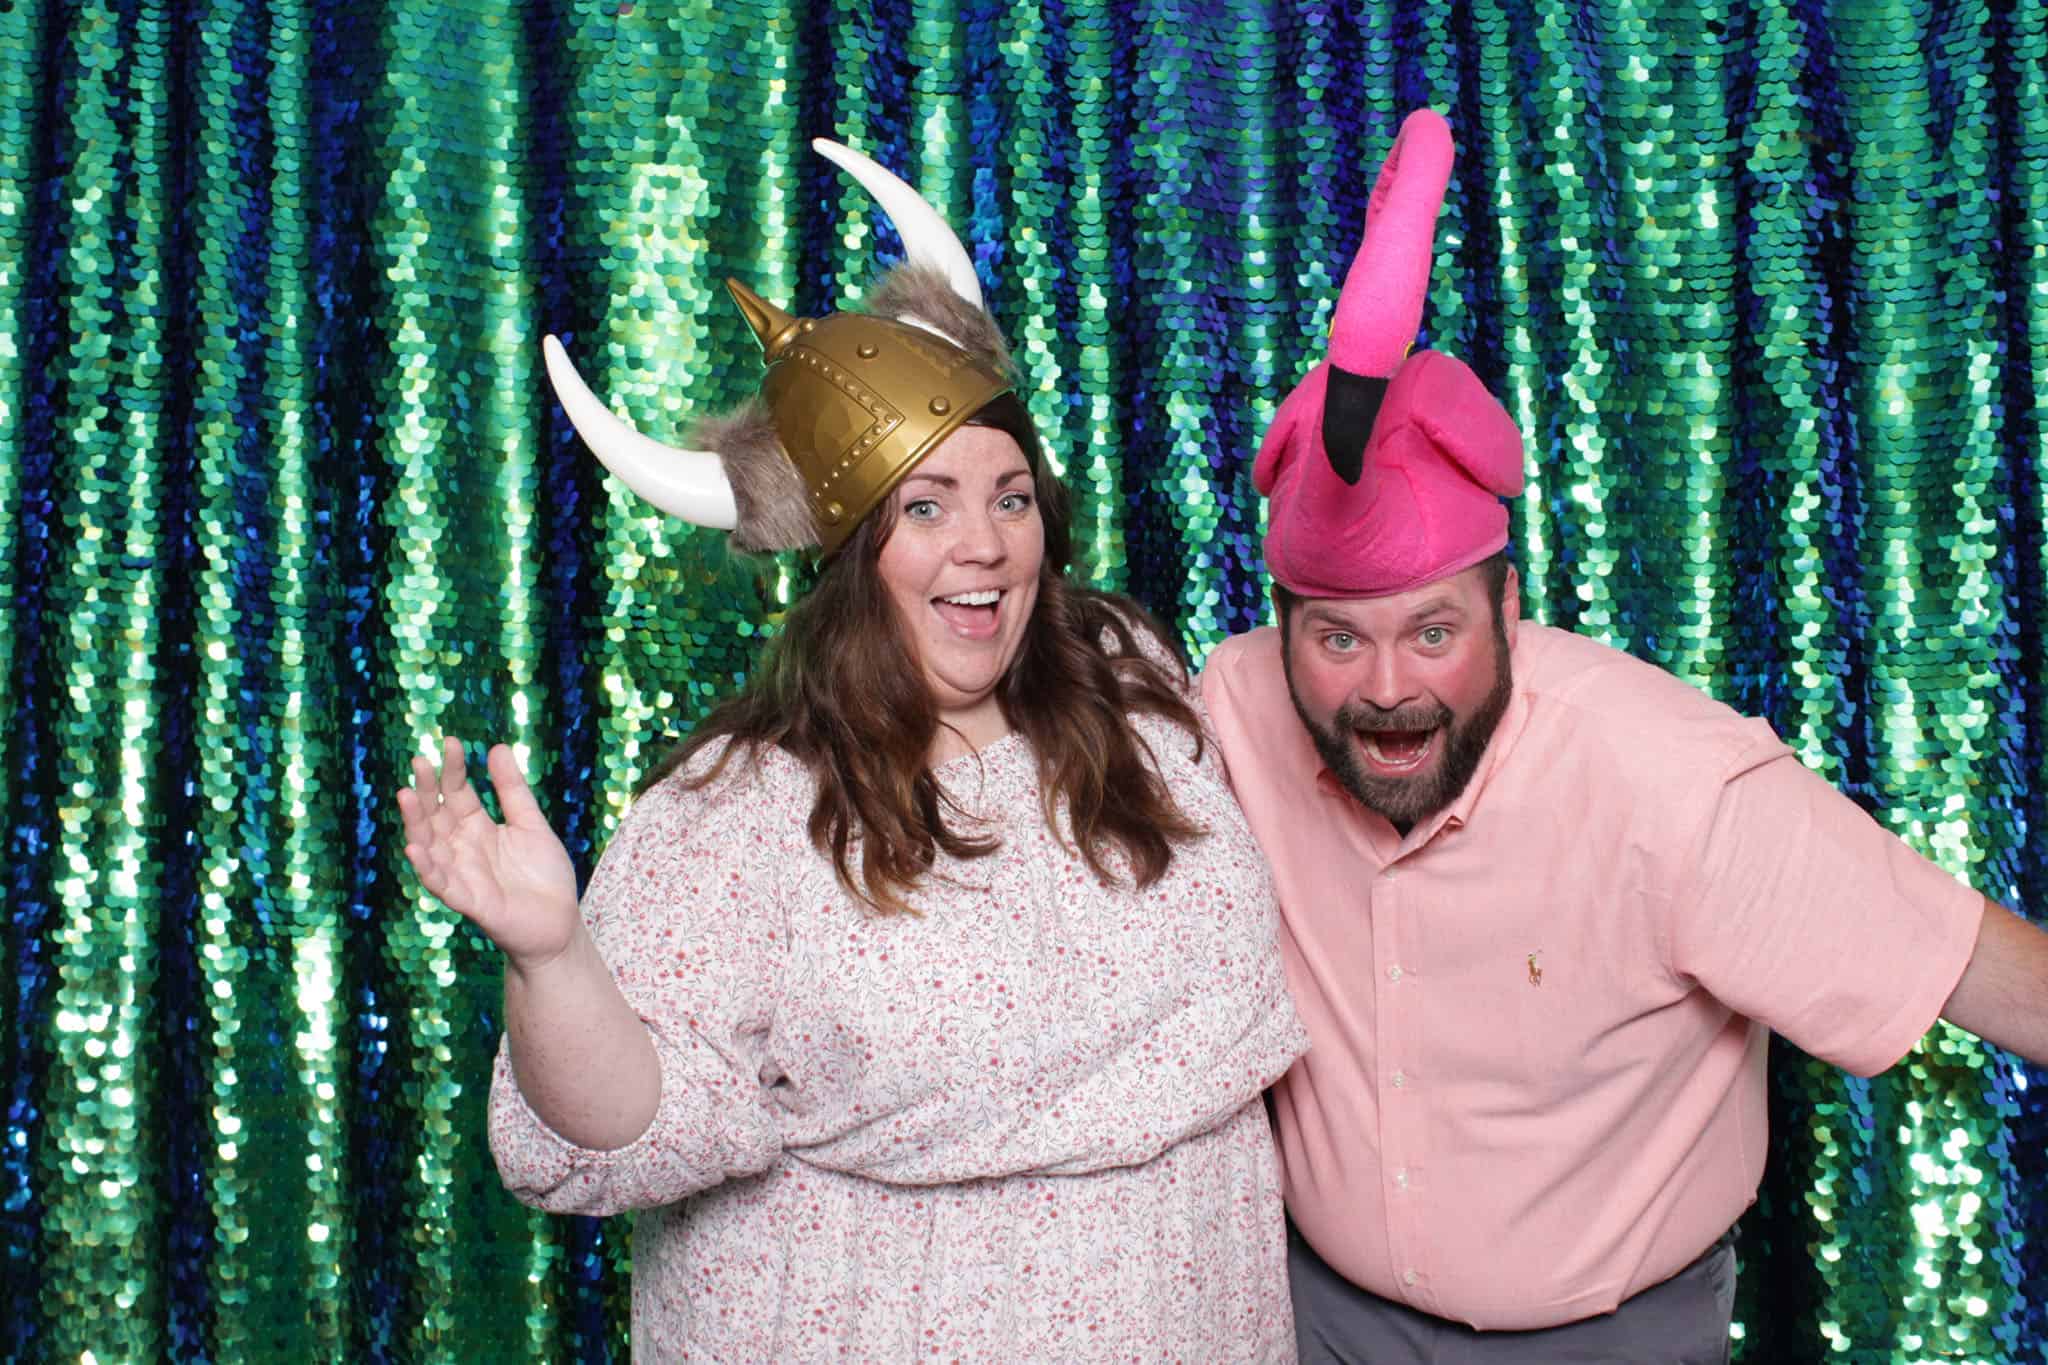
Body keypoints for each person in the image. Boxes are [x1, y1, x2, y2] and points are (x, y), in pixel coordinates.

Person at [396, 141, 1305, 1361]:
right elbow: (618, 1134)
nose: (981, 544)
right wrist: (551, 956)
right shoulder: (742, 808)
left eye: (1009, 494)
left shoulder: (1130, 688)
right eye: (923, 508)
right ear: (848, 559)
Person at [1198, 108, 2048, 1363]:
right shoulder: (1226, 707)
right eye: (1335, 639)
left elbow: (1988, 976)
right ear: (1278, 633)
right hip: (1314, 1320)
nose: (1383, 687)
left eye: (1430, 632)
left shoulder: (1675, 787)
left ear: (1505, 602)